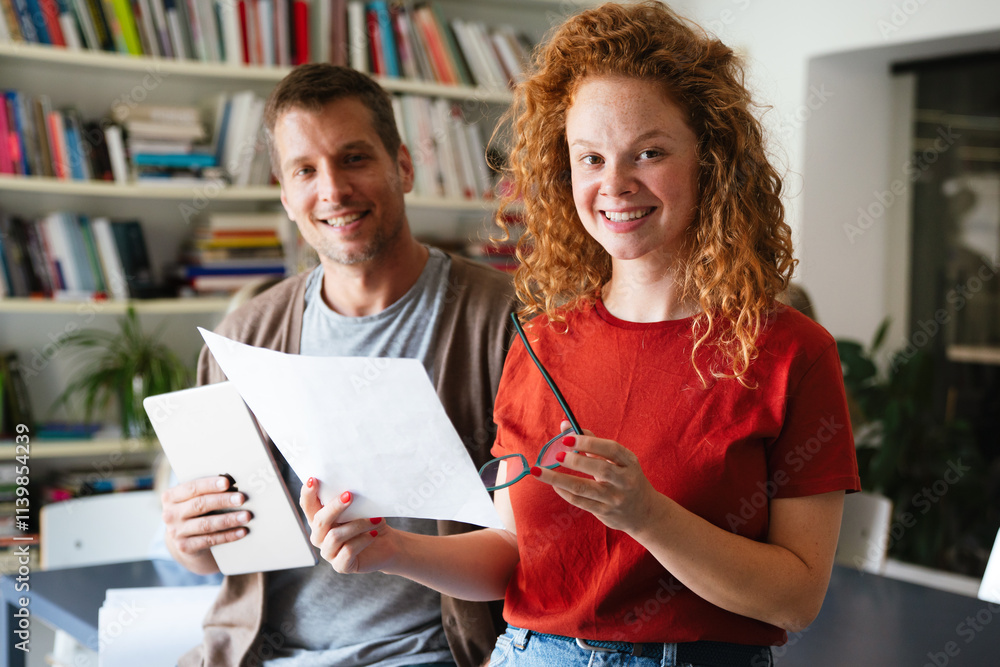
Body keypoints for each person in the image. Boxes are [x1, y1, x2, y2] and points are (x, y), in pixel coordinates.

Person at [299, 3, 861, 666]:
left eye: (648, 152)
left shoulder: (791, 351)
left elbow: (794, 599)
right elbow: (512, 554)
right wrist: (393, 548)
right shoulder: (541, 341)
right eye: (589, 157)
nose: (615, 185)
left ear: (709, 160)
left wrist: (648, 515)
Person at [160, 63, 515, 667]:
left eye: (353, 159)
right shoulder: (244, 336)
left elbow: (538, 543)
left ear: (402, 166)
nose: (332, 190)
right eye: (305, 170)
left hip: (434, 653)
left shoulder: (503, 321)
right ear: (284, 190)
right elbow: (212, 555)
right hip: (260, 653)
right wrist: (187, 540)